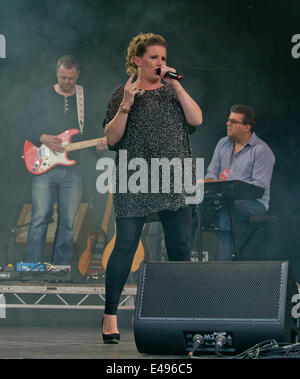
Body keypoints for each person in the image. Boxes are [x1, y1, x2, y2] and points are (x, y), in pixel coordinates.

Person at [102, 33, 203, 343]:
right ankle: (109, 316)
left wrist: (178, 86)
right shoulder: (123, 93)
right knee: (126, 244)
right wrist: (126, 106)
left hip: (173, 177)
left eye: (163, 57)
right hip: (136, 177)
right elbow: (111, 138)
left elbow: (196, 120)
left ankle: (180, 316)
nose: (161, 63)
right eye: (154, 57)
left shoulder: (174, 92)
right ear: (138, 60)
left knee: (180, 249)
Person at [23, 55, 107, 265]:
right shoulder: (43, 96)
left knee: (68, 222)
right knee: (39, 218)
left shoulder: (84, 98)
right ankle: (32, 268)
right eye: (63, 77)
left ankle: (60, 269)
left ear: (77, 75)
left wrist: (99, 146)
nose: (67, 82)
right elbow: (23, 123)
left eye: (70, 78)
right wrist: (41, 137)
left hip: (72, 169)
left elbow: (90, 131)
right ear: (57, 73)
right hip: (44, 166)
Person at [203, 104, 275, 260]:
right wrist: (209, 181)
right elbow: (212, 172)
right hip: (223, 200)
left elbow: (259, 188)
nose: (228, 124)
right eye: (228, 120)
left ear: (247, 127)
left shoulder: (261, 150)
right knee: (191, 210)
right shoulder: (223, 143)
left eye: (233, 122)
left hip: (254, 204)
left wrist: (231, 190)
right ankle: (185, 269)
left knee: (225, 211)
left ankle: (222, 271)